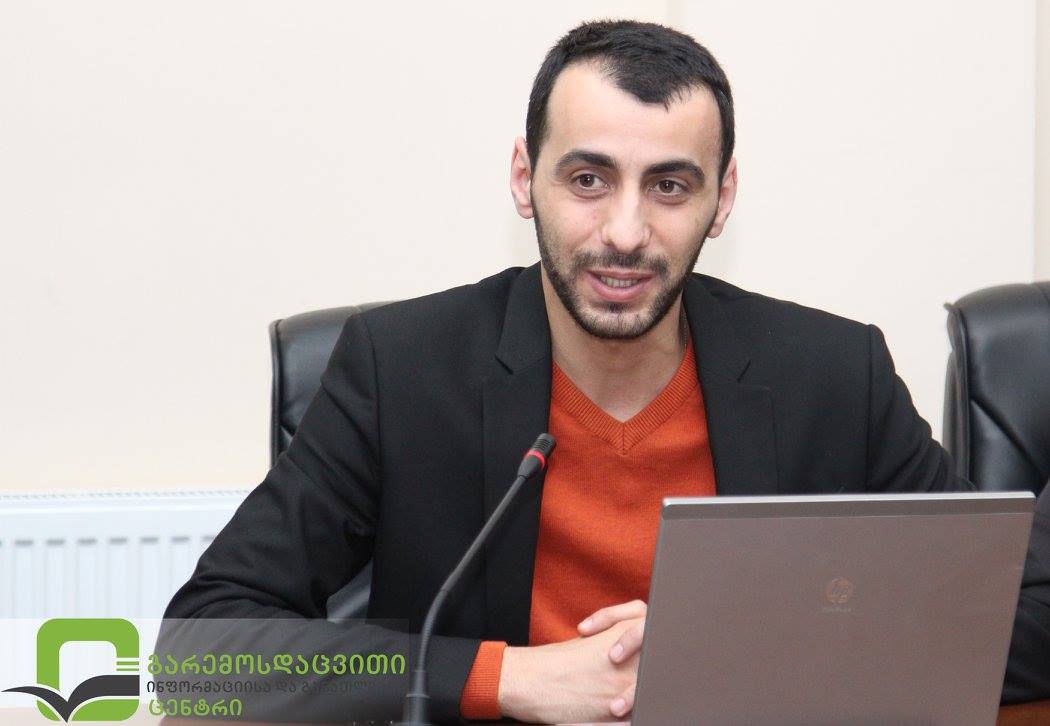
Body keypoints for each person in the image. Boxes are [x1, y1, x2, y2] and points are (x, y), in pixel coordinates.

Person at [164, 19, 1050, 723]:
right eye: (588, 179)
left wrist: (736, 650)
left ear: (722, 199)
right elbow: (200, 655)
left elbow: (1020, 618)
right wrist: (506, 678)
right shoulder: (398, 369)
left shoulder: (832, 373)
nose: (625, 233)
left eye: (669, 186)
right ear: (525, 179)